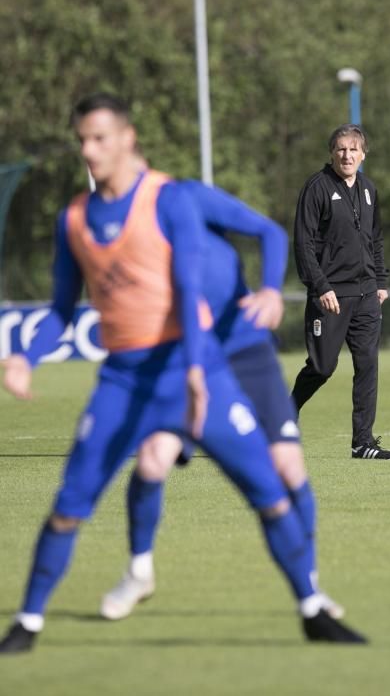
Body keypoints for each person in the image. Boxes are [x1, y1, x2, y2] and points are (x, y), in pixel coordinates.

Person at [0, 94, 366, 654]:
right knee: (74, 500)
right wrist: (25, 355)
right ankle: (28, 622)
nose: (88, 150)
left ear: (127, 138)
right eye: (81, 140)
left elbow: (195, 289)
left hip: (208, 361)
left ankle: (312, 604)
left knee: (274, 484)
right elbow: (60, 310)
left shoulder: (174, 199)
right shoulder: (73, 219)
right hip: (127, 380)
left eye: (99, 138)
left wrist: (210, 358)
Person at [98, 179, 343, 623]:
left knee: (289, 468)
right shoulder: (113, 225)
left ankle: (310, 587)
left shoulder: (184, 197)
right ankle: (139, 572)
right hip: (183, 357)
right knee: (152, 460)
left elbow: (269, 232)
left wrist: (270, 288)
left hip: (246, 351)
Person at [291, 124, 390, 461]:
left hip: (367, 295)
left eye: (353, 149)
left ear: (363, 154)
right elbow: (303, 243)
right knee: (322, 367)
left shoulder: (368, 189)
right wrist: (320, 286)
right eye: (341, 149)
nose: (347, 155)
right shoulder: (317, 188)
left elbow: (375, 239)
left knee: (367, 365)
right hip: (331, 297)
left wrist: (380, 282)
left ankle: (362, 443)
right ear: (331, 153)